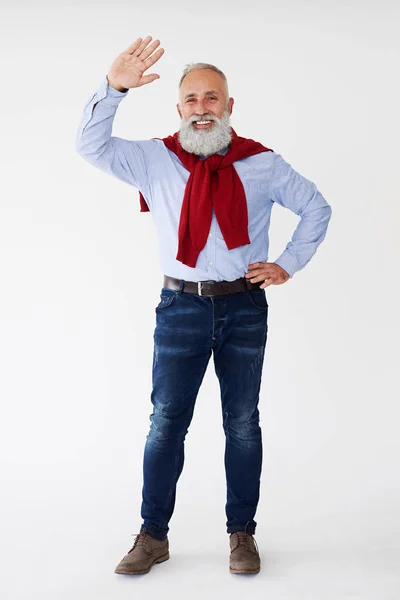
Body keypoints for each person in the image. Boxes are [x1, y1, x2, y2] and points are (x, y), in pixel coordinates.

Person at [75, 36, 332, 576]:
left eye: (211, 98)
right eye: (191, 99)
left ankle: (242, 534)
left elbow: (315, 207)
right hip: (180, 308)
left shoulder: (260, 162)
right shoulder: (154, 159)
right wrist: (113, 88)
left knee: (242, 423)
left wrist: (287, 263)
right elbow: (90, 146)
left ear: (229, 106)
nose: (201, 108)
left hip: (244, 309)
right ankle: (152, 535)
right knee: (165, 422)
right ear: (178, 108)